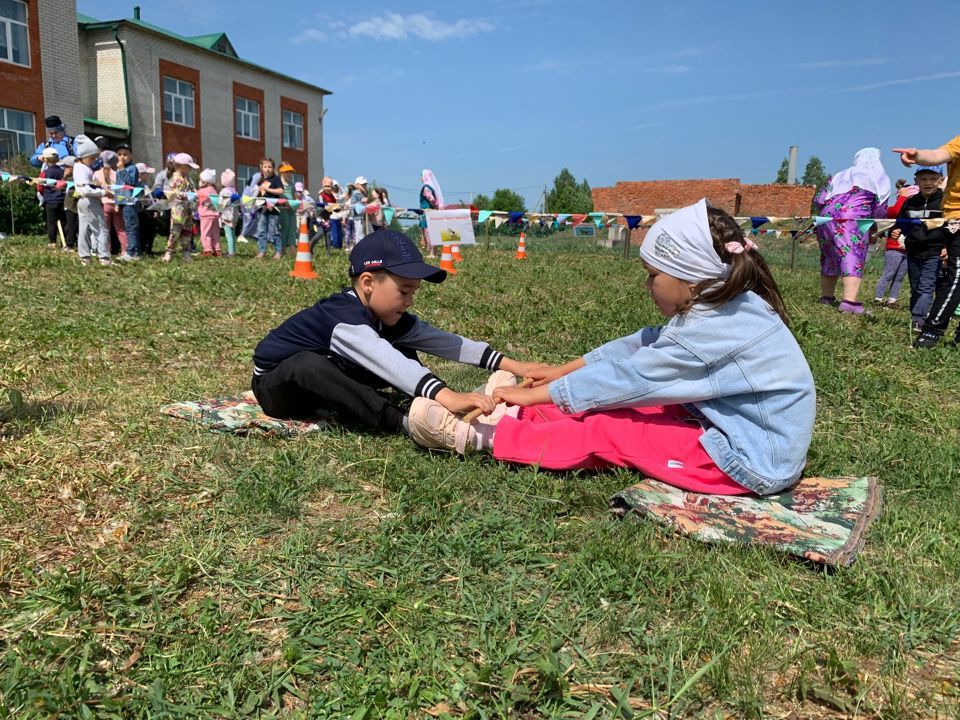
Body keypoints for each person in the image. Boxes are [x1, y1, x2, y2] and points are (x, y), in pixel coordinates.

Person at [407, 200, 816, 496]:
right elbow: (645, 344)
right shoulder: (724, 303)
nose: (647, 284)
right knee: (626, 404)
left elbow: (630, 378)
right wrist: (564, 371)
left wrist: (535, 390)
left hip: (746, 460)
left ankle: (483, 436)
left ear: (689, 278)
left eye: (652, 274)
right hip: (730, 425)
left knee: (611, 428)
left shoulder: (713, 327)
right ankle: (523, 413)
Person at [251, 229, 537, 434]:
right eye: (404, 290)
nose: (410, 300)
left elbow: (442, 341)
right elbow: (386, 361)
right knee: (308, 364)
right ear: (367, 283)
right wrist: (448, 395)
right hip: (278, 389)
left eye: (414, 291)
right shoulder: (343, 318)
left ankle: (428, 403)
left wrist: (516, 365)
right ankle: (403, 422)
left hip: (324, 379)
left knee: (399, 343)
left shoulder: (385, 314)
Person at [893, 137, 960, 347]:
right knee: (957, 273)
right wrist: (918, 156)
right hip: (957, 216)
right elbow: (938, 155)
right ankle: (932, 329)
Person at [814, 148, 891, 314]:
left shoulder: (838, 175)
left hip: (825, 217)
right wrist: (874, 228)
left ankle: (826, 297)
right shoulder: (879, 176)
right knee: (852, 256)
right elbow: (880, 209)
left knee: (829, 256)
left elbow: (819, 199)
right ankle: (849, 301)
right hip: (853, 217)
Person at [894, 166, 946, 330]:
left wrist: (946, 247)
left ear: (941, 180)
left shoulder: (945, 202)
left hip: (935, 251)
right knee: (915, 285)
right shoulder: (910, 202)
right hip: (913, 250)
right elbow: (900, 223)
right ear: (916, 181)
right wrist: (895, 230)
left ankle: (919, 318)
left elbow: (952, 227)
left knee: (926, 285)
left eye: (932, 179)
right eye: (923, 179)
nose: (928, 183)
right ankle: (916, 315)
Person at [73, 135, 114, 266]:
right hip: (90, 201)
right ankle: (104, 257)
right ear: (83, 157)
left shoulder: (80, 167)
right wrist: (103, 192)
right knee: (101, 228)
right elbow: (86, 189)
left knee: (84, 229)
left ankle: (85, 257)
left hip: (82, 201)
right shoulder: (82, 169)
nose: (94, 160)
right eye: (91, 158)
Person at [162, 152, 198, 263]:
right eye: (189, 167)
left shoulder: (188, 179)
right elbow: (173, 193)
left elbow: (192, 191)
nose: (190, 170)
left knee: (187, 231)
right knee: (175, 231)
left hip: (188, 210)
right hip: (178, 210)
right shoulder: (175, 178)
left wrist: (196, 194)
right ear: (181, 166)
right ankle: (169, 252)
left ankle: (186, 252)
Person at [95, 150, 128, 257]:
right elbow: (121, 189)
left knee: (105, 229)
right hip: (116, 204)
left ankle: (106, 249)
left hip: (104, 204)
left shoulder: (96, 174)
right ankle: (125, 250)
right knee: (121, 229)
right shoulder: (117, 174)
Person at [114, 143, 141, 261]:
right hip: (123, 201)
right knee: (128, 226)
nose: (122, 157)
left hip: (130, 201)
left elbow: (130, 183)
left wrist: (122, 169)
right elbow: (117, 187)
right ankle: (135, 251)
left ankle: (132, 252)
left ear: (131, 156)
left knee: (131, 227)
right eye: (119, 154)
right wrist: (116, 202)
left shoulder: (132, 168)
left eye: (125, 154)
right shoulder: (118, 170)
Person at [255, 158, 285, 259]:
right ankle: (262, 251)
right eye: (265, 167)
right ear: (261, 167)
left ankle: (278, 252)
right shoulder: (260, 180)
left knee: (275, 231)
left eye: (270, 167)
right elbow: (257, 194)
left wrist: (267, 189)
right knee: (261, 231)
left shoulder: (276, 179)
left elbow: (281, 191)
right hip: (262, 209)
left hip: (274, 209)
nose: (267, 169)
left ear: (273, 168)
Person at [37, 147, 66, 249]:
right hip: (62, 199)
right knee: (64, 221)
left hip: (50, 200)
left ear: (45, 159)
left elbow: (39, 187)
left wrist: (45, 194)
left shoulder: (44, 173)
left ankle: (52, 242)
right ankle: (65, 242)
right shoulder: (62, 172)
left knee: (51, 222)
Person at [196, 168, 221, 257]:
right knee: (215, 233)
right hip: (215, 215)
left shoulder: (202, 191)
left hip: (206, 215)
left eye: (201, 180)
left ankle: (207, 250)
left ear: (205, 181)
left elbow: (195, 198)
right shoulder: (214, 191)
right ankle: (217, 249)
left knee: (205, 233)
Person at [419, 169, 443, 254]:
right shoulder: (431, 187)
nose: (420, 178)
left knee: (428, 232)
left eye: (421, 176)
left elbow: (431, 199)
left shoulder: (426, 188)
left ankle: (431, 253)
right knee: (433, 232)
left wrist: (435, 205)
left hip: (427, 212)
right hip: (431, 212)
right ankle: (434, 252)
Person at [277, 162, 299, 251]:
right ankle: (282, 249)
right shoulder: (278, 183)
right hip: (283, 209)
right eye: (287, 171)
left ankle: (292, 249)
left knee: (292, 229)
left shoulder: (292, 184)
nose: (289, 174)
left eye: (290, 171)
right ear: (281, 172)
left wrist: (295, 204)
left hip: (292, 210)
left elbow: (295, 196)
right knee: (284, 229)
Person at [218, 169, 240, 257]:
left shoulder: (223, 192)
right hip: (234, 216)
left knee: (228, 234)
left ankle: (231, 252)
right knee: (233, 234)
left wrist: (219, 211)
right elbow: (239, 202)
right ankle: (233, 250)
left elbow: (221, 203)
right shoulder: (234, 191)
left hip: (226, 216)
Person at [60, 156, 79, 252]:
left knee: (71, 225)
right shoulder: (69, 178)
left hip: (73, 206)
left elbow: (78, 192)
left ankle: (70, 244)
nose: (64, 169)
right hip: (68, 205)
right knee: (69, 225)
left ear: (71, 168)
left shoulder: (73, 179)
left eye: (65, 167)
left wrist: (73, 195)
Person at [350, 177, 370, 246]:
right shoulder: (356, 193)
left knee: (361, 233)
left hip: (361, 216)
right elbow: (364, 200)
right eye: (362, 184)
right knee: (359, 234)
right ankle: (359, 248)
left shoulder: (362, 193)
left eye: (365, 184)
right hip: (358, 216)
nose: (364, 186)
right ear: (357, 185)